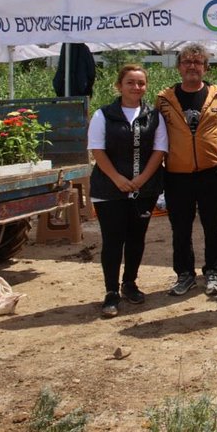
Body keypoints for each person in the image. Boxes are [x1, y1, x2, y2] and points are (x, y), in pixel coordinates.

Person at [88, 64, 167, 318]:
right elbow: (97, 150)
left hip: (145, 189)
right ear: (119, 86)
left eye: (141, 83)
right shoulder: (103, 115)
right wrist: (118, 178)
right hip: (109, 189)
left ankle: (130, 283)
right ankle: (111, 291)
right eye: (130, 82)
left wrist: (141, 179)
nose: (136, 87)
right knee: (113, 240)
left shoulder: (154, 116)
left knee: (136, 238)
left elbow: (159, 150)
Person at [156, 43, 217, 297]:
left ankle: (213, 273)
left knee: (214, 226)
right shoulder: (164, 99)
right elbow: (157, 136)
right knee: (181, 228)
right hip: (177, 174)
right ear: (179, 67)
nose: (192, 66)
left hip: (212, 171)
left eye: (198, 62)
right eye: (187, 62)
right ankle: (185, 274)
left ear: (206, 68)